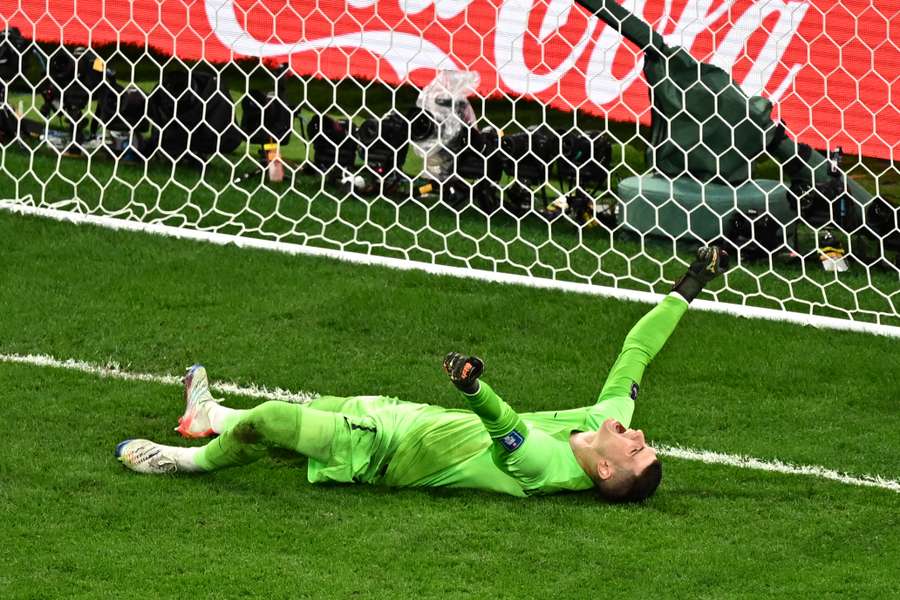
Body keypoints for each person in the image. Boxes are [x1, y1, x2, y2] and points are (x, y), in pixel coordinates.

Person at [116, 246, 729, 502]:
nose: (639, 437)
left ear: (603, 469)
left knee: (275, 420)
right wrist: (692, 285)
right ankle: (210, 417)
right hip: (402, 416)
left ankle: (183, 462)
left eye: (636, 452)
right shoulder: (602, 424)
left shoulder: (548, 469)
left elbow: (505, 425)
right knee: (301, 414)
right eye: (643, 444)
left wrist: (472, 386)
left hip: (387, 453)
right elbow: (636, 352)